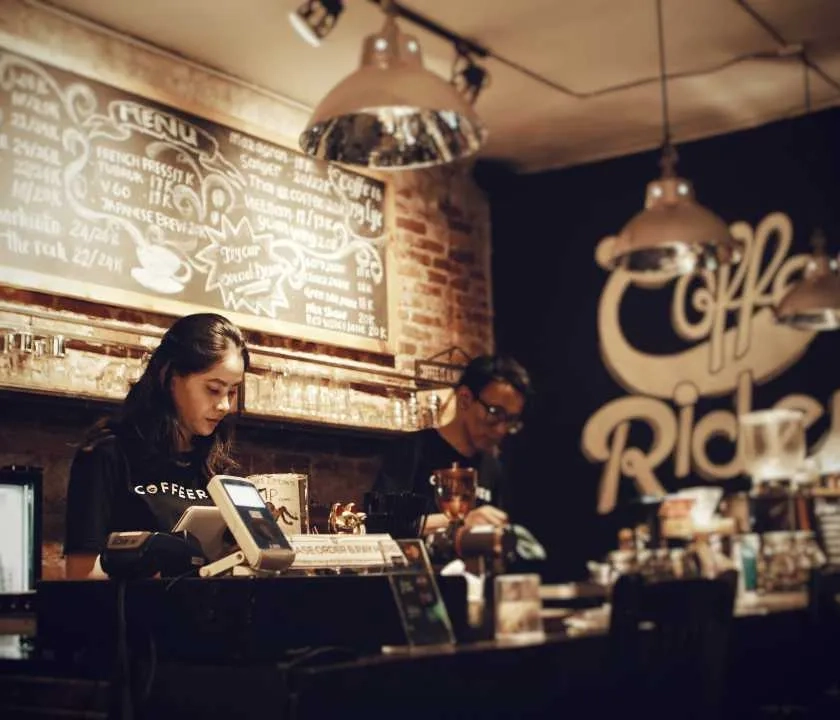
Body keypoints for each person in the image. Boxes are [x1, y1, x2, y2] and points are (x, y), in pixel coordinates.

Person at [63, 313, 249, 579]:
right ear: (170, 377)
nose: (224, 406)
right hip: (135, 618)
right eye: (213, 389)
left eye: (232, 392)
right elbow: (80, 574)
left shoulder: (220, 469)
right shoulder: (108, 455)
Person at [373, 354, 532, 535]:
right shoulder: (411, 449)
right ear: (465, 399)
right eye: (495, 412)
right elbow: (381, 524)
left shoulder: (492, 468)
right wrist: (460, 521)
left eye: (510, 420)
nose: (501, 429)